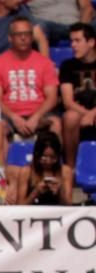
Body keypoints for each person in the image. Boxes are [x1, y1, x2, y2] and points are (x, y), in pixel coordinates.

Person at [0, 17, 61, 140]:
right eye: (18, 34)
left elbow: (52, 98)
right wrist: (14, 117)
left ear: (32, 37)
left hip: (39, 113)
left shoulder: (45, 63)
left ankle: (57, 159)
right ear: (10, 38)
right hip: (9, 116)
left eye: (27, 34)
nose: (23, 38)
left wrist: (36, 117)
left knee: (55, 123)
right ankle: (1, 160)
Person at [60, 23, 96, 167]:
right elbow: (67, 101)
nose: (73, 45)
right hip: (79, 113)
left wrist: (93, 114)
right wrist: (87, 114)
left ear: (91, 42)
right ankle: (71, 167)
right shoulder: (68, 66)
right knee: (70, 117)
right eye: (71, 41)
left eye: (77, 40)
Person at [0, 0, 48, 70]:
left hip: (27, 66)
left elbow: (41, 40)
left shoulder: (21, 11)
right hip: (1, 70)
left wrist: (44, 65)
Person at [13, 131, 73, 205]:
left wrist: (60, 191)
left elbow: (69, 205)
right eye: (44, 157)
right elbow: (19, 206)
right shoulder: (26, 171)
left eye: (53, 158)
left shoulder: (65, 171)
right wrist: (36, 192)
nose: (48, 161)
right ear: (37, 155)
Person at [30, 0, 94, 46]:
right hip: (46, 25)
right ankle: (44, 63)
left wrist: (81, 28)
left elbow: (87, 8)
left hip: (74, 24)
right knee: (39, 27)